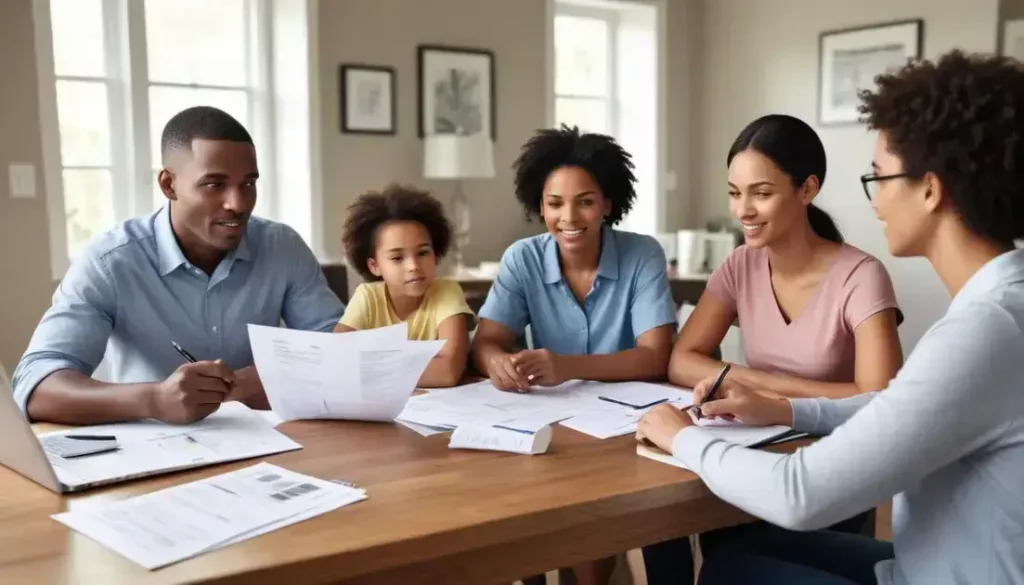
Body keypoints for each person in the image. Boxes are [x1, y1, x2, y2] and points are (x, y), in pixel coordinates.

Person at [638, 49, 1024, 585]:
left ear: (930, 189)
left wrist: (683, 437)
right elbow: (893, 406)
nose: (875, 202)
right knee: (737, 553)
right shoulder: (1000, 307)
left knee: (729, 573)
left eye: (880, 178)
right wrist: (781, 409)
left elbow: (801, 494)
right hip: (918, 565)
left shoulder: (985, 331)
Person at [641, 115, 906, 582]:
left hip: (829, 467)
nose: (743, 210)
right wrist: (756, 392)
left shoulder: (861, 277)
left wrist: (764, 392)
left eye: (760, 193)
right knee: (662, 518)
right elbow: (681, 359)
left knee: (726, 559)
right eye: (734, 193)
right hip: (757, 447)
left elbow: (881, 399)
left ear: (807, 189)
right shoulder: (739, 265)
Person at [12, 106, 344, 425]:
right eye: (215, 184)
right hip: (150, 448)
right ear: (169, 185)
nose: (238, 203)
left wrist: (259, 380)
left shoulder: (282, 247)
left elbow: (340, 352)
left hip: (271, 441)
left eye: (248, 183)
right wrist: (154, 399)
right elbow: (36, 386)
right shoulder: (110, 262)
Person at [472, 125, 676, 585]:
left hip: (630, 432)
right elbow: (485, 342)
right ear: (539, 205)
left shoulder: (642, 255)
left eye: (585, 201)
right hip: (552, 429)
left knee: (590, 540)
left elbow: (655, 357)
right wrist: (496, 361)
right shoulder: (522, 259)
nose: (568, 217)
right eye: (554, 203)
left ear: (607, 204)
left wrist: (565, 367)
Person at [334, 184, 474, 387]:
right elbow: (336, 360)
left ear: (436, 255)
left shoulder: (446, 292)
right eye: (397, 258)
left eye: (423, 253)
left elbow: (448, 372)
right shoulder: (368, 297)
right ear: (374, 266)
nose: (413, 266)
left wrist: (368, 367)